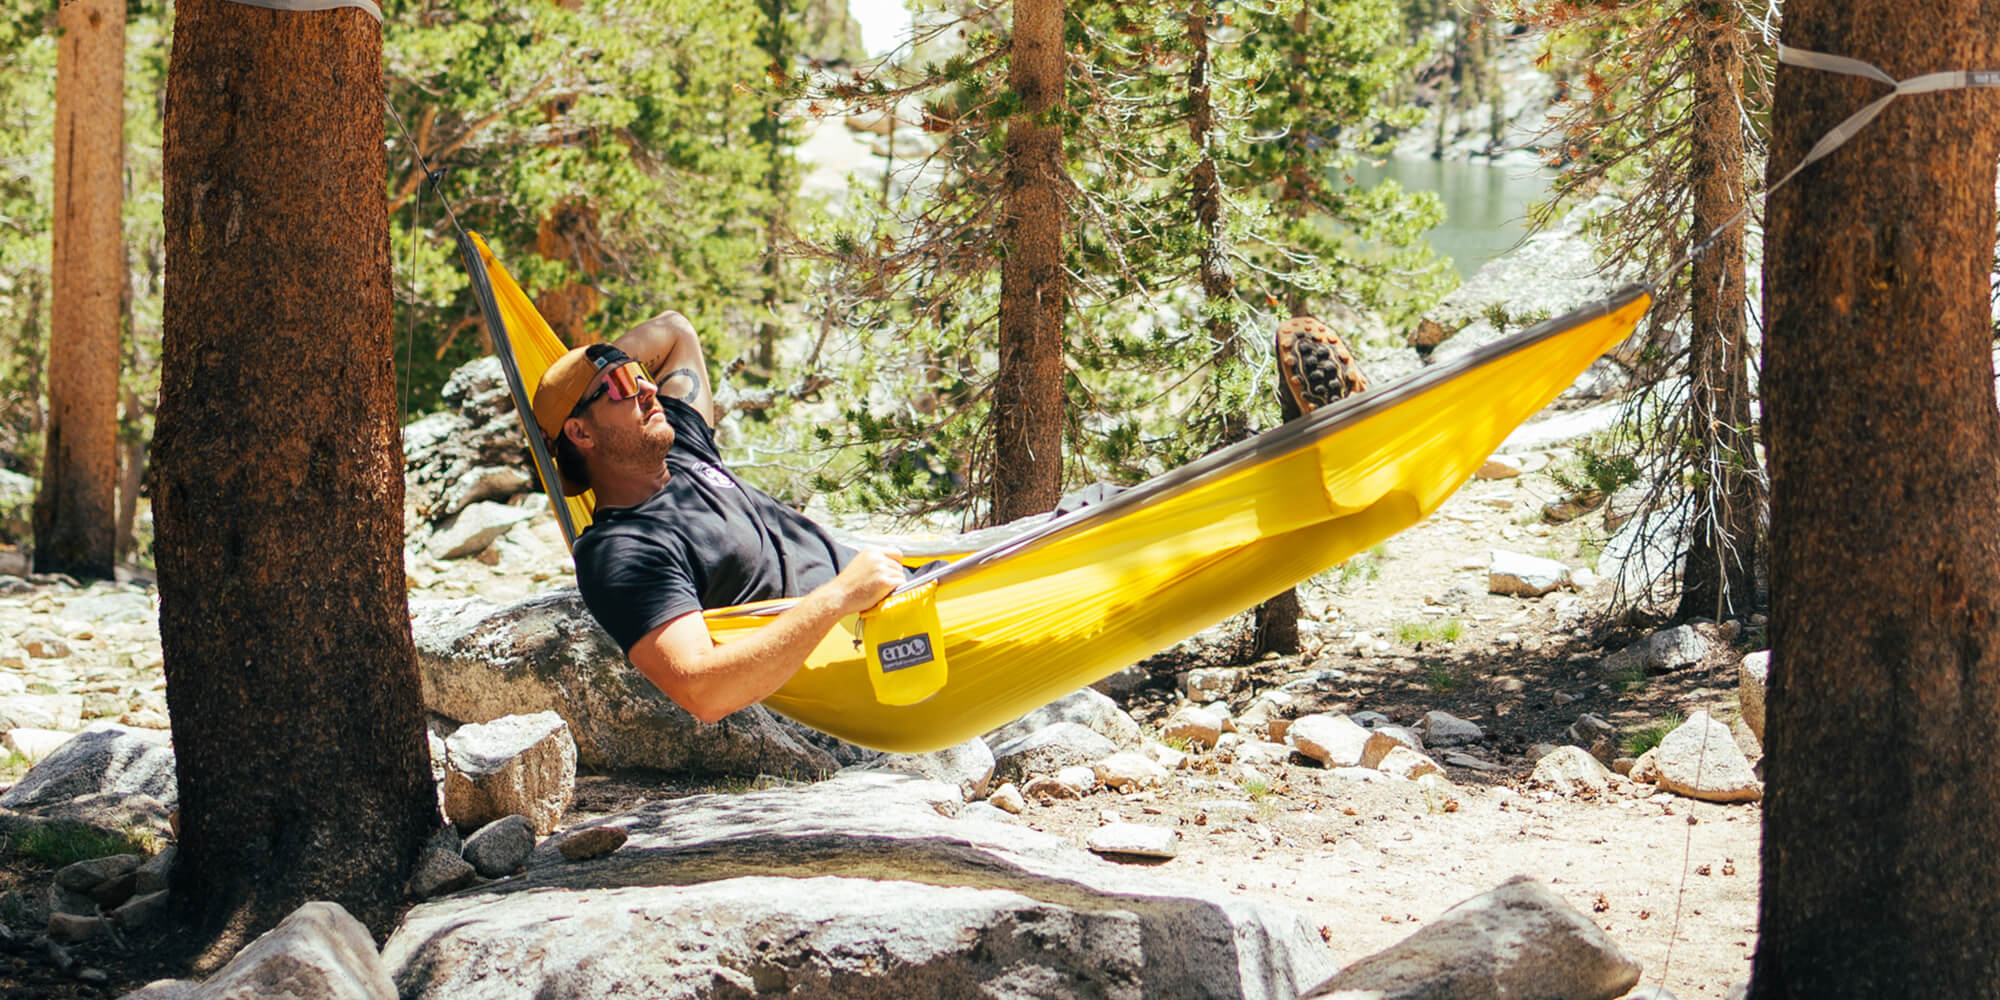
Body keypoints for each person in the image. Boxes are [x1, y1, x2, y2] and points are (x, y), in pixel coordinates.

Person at [529, 311, 906, 723]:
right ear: (581, 434)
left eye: (639, 373)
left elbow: (674, 330)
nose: (648, 388)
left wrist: (584, 374)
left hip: (901, 594)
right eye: (622, 386)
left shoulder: (683, 449)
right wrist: (839, 596)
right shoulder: (619, 549)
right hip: (882, 644)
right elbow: (701, 690)